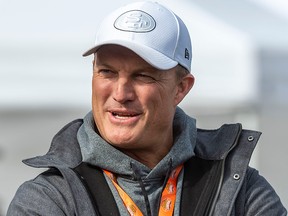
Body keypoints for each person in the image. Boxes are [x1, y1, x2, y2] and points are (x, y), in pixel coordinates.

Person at [7, 1, 287, 216]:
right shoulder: (50, 197)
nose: (120, 93)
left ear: (182, 88)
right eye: (107, 72)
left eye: (143, 76)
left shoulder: (239, 187)